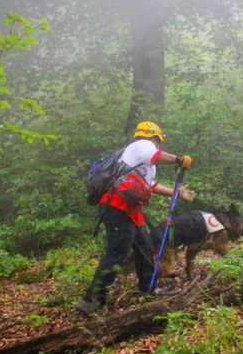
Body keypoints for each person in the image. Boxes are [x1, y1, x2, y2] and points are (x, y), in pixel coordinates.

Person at [74, 121, 195, 316]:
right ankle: (91, 300)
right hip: (116, 207)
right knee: (117, 253)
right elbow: (157, 156)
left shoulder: (142, 162)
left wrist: (176, 192)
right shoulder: (143, 145)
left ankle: (148, 288)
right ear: (154, 137)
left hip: (129, 210)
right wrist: (179, 159)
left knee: (145, 246)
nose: (159, 145)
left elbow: (152, 186)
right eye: (158, 141)